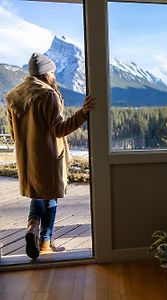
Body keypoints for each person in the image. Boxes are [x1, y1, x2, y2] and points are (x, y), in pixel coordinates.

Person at [5, 52, 95, 259]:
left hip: (27, 158)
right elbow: (59, 130)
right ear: (45, 73)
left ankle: (32, 230)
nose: (54, 76)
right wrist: (83, 113)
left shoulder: (14, 97)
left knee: (37, 195)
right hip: (47, 157)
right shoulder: (48, 95)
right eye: (52, 72)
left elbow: (13, 133)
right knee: (51, 199)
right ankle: (45, 243)